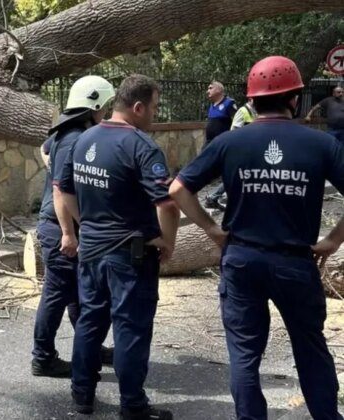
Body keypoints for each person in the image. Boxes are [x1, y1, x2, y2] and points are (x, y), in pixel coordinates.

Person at [169, 56, 344, 420]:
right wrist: (333, 240)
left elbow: (177, 189)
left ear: (252, 100)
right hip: (296, 263)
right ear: (295, 98)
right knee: (311, 349)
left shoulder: (232, 142)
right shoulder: (321, 144)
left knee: (244, 356)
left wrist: (212, 230)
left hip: (242, 260)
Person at [54, 74, 180, 419]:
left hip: (91, 250)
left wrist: (89, 226)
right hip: (130, 254)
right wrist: (167, 243)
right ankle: (133, 406)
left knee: (91, 322)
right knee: (131, 328)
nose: (155, 115)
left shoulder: (82, 140)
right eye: (153, 108)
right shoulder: (141, 146)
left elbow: (64, 191)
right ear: (137, 107)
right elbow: (167, 204)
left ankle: (82, 396)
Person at [32, 76, 116, 378]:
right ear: (92, 106)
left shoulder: (64, 133)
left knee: (78, 294)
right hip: (60, 228)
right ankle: (42, 358)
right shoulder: (72, 138)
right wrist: (69, 233)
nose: (105, 113)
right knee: (56, 294)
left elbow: (43, 151)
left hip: (63, 226)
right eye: (104, 107)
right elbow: (60, 190)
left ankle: (89, 347)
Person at [204, 81, 238, 209]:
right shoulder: (212, 105)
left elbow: (236, 122)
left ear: (219, 90)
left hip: (223, 144)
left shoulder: (229, 103)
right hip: (209, 143)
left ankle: (216, 197)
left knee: (229, 171)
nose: (208, 91)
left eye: (210, 88)